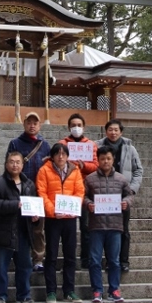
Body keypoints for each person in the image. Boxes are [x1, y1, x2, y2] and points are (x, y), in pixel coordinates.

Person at [0, 151, 38, 303]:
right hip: (3, 232)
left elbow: (33, 206)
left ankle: (24, 295)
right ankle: (0, 296)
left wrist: (35, 218)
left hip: (23, 232)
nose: (15, 165)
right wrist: (15, 205)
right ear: (6, 164)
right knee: (1, 267)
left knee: (25, 266)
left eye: (18, 162)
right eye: (12, 162)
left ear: (23, 165)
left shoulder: (29, 185)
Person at [36, 142, 85, 303]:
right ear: (52, 156)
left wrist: (73, 208)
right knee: (51, 255)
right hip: (52, 220)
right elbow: (42, 193)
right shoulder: (44, 170)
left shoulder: (75, 171)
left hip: (70, 219)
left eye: (64, 153)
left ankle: (69, 290)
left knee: (70, 256)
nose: (61, 156)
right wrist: (52, 211)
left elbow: (79, 191)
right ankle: (51, 291)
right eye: (57, 154)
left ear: (68, 156)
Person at [84, 144, 134, 302]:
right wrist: (88, 204)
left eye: (109, 158)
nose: (105, 161)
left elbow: (130, 195)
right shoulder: (90, 178)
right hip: (96, 226)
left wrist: (126, 202)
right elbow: (82, 196)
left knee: (114, 260)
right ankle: (97, 291)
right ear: (97, 160)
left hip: (115, 225)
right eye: (102, 158)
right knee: (94, 260)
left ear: (113, 160)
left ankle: (114, 290)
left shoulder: (121, 179)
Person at [7, 111, 51, 271]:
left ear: (39, 125)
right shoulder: (15, 143)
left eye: (35, 123)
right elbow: (9, 166)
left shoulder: (45, 145)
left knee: (38, 227)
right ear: (24, 124)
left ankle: (38, 258)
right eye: (29, 122)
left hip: (38, 192)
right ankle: (19, 255)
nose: (32, 126)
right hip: (19, 190)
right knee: (17, 225)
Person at [97, 118, 143, 272]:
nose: (113, 132)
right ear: (106, 131)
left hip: (122, 194)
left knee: (123, 229)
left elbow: (138, 170)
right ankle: (109, 260)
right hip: (102, 194)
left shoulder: (130, 149)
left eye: (116, 130)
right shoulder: (97, 146)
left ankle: (124, 261)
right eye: (110, 129)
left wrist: (132, 189)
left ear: (121, 132)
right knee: (103, 229)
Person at [59, 112, 98, 268]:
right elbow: (57, 162)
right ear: (69, 127)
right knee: (67, 228)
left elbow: (96, 165)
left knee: (86, 226)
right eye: (73, 125)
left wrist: (84, 166)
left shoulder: (91, 145)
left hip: (86, 189)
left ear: (84, 127)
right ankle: (69, 259)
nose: (76, 128)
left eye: (79, 125)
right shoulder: (62, 144)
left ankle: (86, 258)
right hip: (67, 190)